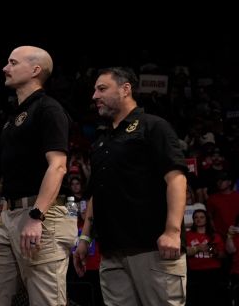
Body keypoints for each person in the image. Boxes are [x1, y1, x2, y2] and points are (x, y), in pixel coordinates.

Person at [73, 67, 187, 306]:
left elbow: (176, 179)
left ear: (126, 89)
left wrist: (172, 231)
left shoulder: (153, 126)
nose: (94, 96)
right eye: (94, 90)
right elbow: (97, 193)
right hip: (111, 252)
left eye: (102, 89)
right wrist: (85, 238)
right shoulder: (102, 141)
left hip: (152, 248)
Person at [0, 46, 73, 306]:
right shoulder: (13, 117)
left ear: (35, 70)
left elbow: (58, 166)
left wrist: (36, 216)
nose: (5, 68)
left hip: (41, 216)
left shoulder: (49, 109)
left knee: (46, 301)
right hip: (9, 218)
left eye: (12, 62)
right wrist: (2, 222)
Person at [183, 209, 225, 306]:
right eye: (196, 217)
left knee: (212, 299)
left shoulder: (215, 235)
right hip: (194, 272)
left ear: (206, 219)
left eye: (202, 217)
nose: (198, 219)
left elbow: (223, 255)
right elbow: (183, 252)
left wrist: (212, 251)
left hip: (213, 271)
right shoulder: (187, 235)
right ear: (193, 220)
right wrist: (197, 248)